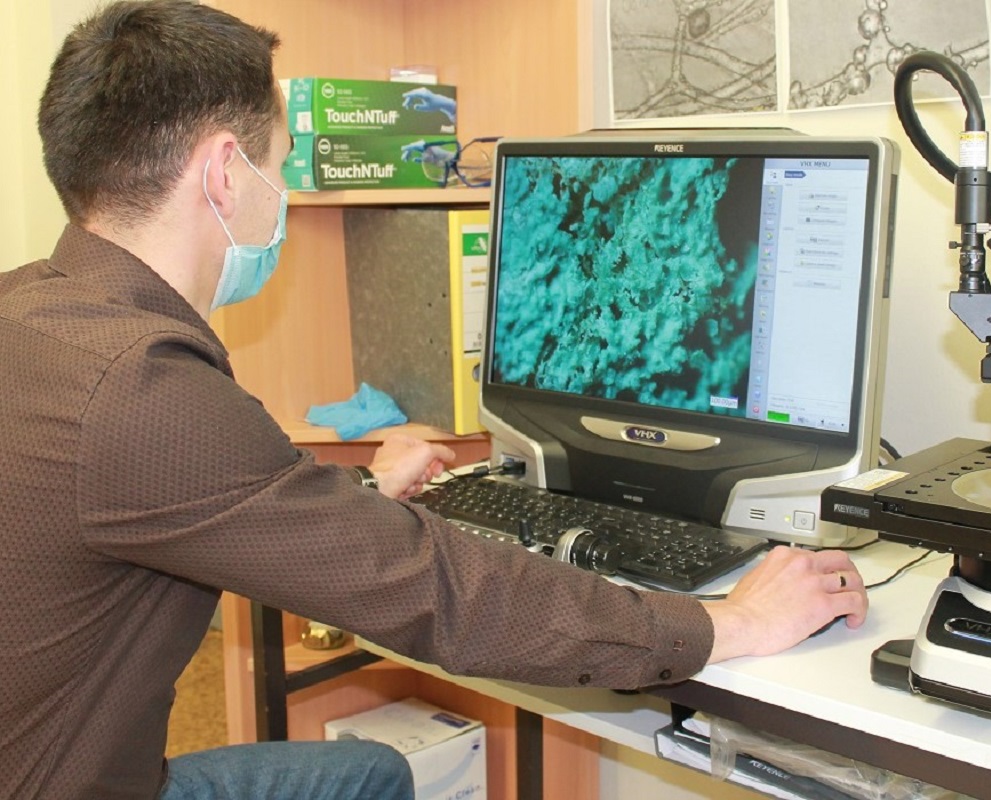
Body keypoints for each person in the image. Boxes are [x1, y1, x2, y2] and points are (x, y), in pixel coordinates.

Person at [0, 2, 870, 799]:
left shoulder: (31, 315)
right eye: (279, 163)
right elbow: (448, 597)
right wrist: (727, 623)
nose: (283, 189)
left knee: (369, 773)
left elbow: (201, 501)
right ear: (227, 171)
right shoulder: (143, 391)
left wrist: (363, 503)